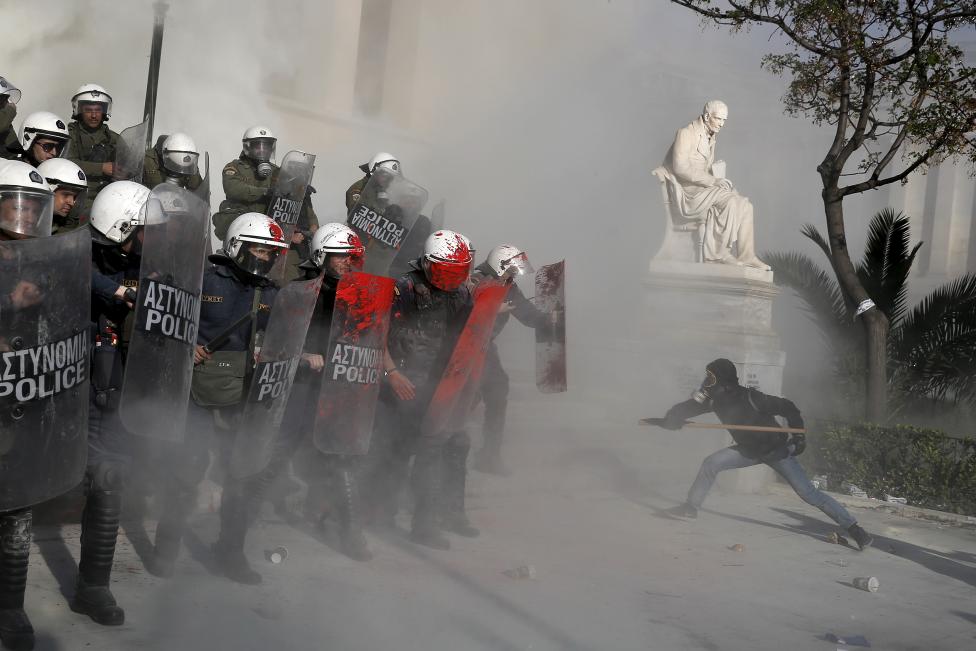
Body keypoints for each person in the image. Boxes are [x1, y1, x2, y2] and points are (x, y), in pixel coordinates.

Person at [149, 212, 286, 584]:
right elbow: (164, 318)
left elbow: (285, 338)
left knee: (241, 476)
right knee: (186, 471)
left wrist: (272, 353)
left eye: (271, 251)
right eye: (259, 248)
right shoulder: (203, 277)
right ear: (238, 245)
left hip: (240, 394)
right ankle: (166, 549)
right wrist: (186, 343)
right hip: (196, 390)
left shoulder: (272, 293)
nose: (266, 257)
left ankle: (230, 553)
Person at [659, 358, 874, 550]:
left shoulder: (752, 397)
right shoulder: (715, 401)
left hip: (776, 451)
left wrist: (799, 436)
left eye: (711, 377)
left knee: (809, 494)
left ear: (723, 381)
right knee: (711, 463)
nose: (707, 382)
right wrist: (672, 418)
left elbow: (788, 407)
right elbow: (688, 408)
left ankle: (855, 530)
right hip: (748, 451)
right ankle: (690, 509)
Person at [72, 180, 154, 628]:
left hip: (113, 390)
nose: (148, 238)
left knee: (109, 480)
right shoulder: (75, 250)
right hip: (63, 389)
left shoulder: (143, 263)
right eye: (142, 229)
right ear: (121, 225)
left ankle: (93, 586)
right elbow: (70, 273)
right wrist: (119, 293)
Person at [270, 223, 375, 560]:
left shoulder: (360, 294)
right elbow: (276, 341)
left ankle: (351, 533)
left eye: (351, 256)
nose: (347, 262)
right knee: (280, 450)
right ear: (321, 256)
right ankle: (241, 519)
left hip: (338, 384)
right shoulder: (299, 292)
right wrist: (302, 356)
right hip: (301, 383)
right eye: (340, 256)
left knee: (339, 454)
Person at [365, 229, 473, 550]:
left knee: (432, 454)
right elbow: (376, 331)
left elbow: (465, 343)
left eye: (458, 273)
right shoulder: (405, 288)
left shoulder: (462, 295)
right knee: (394, 453)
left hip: (436, 387)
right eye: (444, 273)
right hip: (399, 384)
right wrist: (392, 372)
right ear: (427, 264)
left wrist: (459, 387)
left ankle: (424, 525)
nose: (450, 280)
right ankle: (381, 513)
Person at [0, 161, 59, 651]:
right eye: (18, 202)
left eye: (36, 205)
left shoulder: (37, 260)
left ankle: (10, 604)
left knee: (16, 500)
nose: (27, 213)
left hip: (19, 394)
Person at [470, 245, 549, 476]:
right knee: (461, 399)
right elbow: (461, 310)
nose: (513, 275)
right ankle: (433, 448)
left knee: (497, 391)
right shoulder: (474, 280)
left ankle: (489, 455)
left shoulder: (508, 287)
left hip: (484, 347)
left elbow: (525, 313)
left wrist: (547, 321)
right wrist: (493, 307)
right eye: (511, 270)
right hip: (461, 346)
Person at [660, 100, 768, 269]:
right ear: (707, 116)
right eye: (719, 119)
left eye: (724, 120)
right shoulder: (686, 133)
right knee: (731, 201)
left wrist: (717, 173)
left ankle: (747, 255)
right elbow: (680, 167)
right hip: (688, 194)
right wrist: (713, 180)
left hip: (703, 189)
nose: (722, 124)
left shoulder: (711, 136)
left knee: (746, 205)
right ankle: (718, 255)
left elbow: (704, 168)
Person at [212, 126, 318, 280]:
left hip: (268, 233)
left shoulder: (279, 172)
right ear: (248, 147)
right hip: (243, 230)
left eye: (267, 146)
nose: (263, 151)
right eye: (258, 146)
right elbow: (233, 189)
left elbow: (289, 201)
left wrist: (301, 188)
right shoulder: (235, 167)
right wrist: (265, 192)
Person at [65, 84, 120, 215]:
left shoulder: (114, 138)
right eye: (88, 110)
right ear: (79, 110)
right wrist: (101, 168)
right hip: (77, 194)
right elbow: (67, 163)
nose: (94, 115)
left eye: (98, 110)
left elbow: (130, 163)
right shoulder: (69, 134)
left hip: (108, 194)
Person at [36, 158, 87, 233]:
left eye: (75, 197)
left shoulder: (63, 228)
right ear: (46, 190)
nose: (72, 203)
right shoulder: (24, 223)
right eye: (66, 195)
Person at [0, 76, 21, 159]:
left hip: (11, 159)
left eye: (6, 98)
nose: (6, 102)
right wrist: (10, 110)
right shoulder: (5, 115)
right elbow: (1, 124)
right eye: (2, 99)